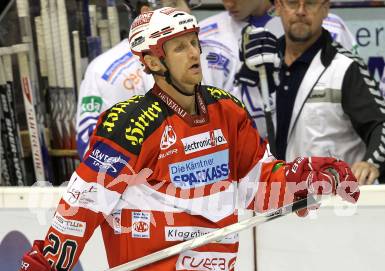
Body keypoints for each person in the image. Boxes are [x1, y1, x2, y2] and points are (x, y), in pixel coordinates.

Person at [13, 7, 359, 271]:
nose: (194, 54)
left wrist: (311, 177)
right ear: (151, 61)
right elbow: (83, 203)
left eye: (193, 43)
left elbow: (260, 184)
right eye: (179, 48)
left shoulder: (225, 110)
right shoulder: (129, 123)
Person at [240, 0, 385, 185]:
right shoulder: (261, 65)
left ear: (325, 9)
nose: (301, 11)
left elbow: (380, 125)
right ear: (278, 7)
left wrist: (370, 163)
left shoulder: (345, 66)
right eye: (292, 3)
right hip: (278, 199)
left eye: (310, 3)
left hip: (334, 201)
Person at [198, 0, 357, 134]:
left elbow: (361, 98)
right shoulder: (206, 34)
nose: (228, 3)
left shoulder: (331, 27)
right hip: (248, 151)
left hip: (319, 148)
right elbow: (205, 112)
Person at [76, 0, 192, 159]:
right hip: (136, 180)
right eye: (174, 3)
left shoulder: (197, 57)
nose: (187, 11)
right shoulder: (102, 69)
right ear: (146, 12)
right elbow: (88, 143)